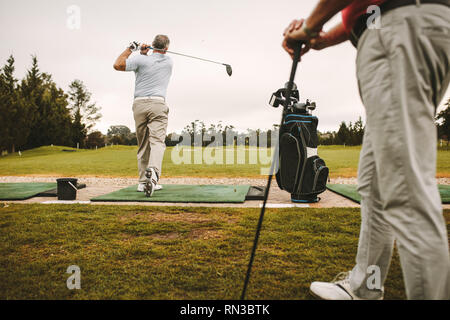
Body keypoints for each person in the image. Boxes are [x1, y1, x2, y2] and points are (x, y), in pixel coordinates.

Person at [283, 0, 450, 299]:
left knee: (404, 187)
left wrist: (309, 27)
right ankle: (364, 287)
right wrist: (321, 39)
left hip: (398, 26)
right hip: (400, 24)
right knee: (375, 184)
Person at [113, 35, 173, 196]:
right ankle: (153, 174)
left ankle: (142, 182)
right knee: (157, 142)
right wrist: (146, 54)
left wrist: (132, 49)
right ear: (166, 48)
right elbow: (157, 59)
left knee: (143, 144)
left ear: (153, 45)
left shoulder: (140, 60)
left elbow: (117, 64)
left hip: (139, 105)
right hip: (158, 105)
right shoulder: (169, 62)